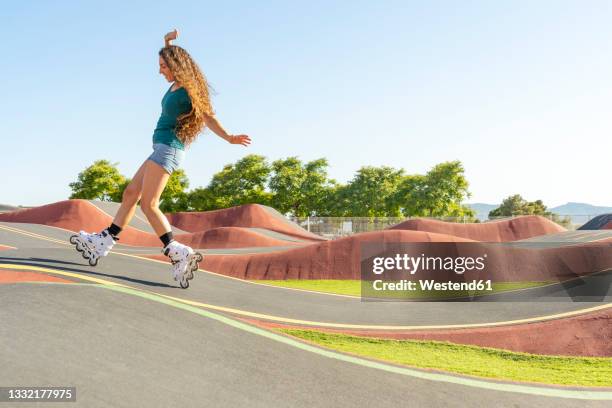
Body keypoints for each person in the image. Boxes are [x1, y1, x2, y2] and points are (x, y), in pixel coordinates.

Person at [70, 29, 251, 287]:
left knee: (149, 204)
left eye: (164, 65)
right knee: (131, 193)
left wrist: (229, 137)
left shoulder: (189, 90)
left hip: (169, 148)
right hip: (161, 147)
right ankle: (105, 241)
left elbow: (208, 116)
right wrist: (167, 43)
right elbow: (171, 57)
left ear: (176, 66)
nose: (160, 71)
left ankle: (177, 251)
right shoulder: (176, 84)